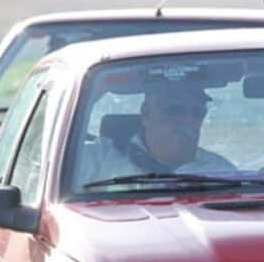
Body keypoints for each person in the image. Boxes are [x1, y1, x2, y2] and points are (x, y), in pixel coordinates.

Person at [81, 80, 233, 186]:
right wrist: (92, 87)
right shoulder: (100, 157)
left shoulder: (221, 171)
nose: (188, 120)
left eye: (197, 112)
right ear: (146, 114)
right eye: (174, 110)